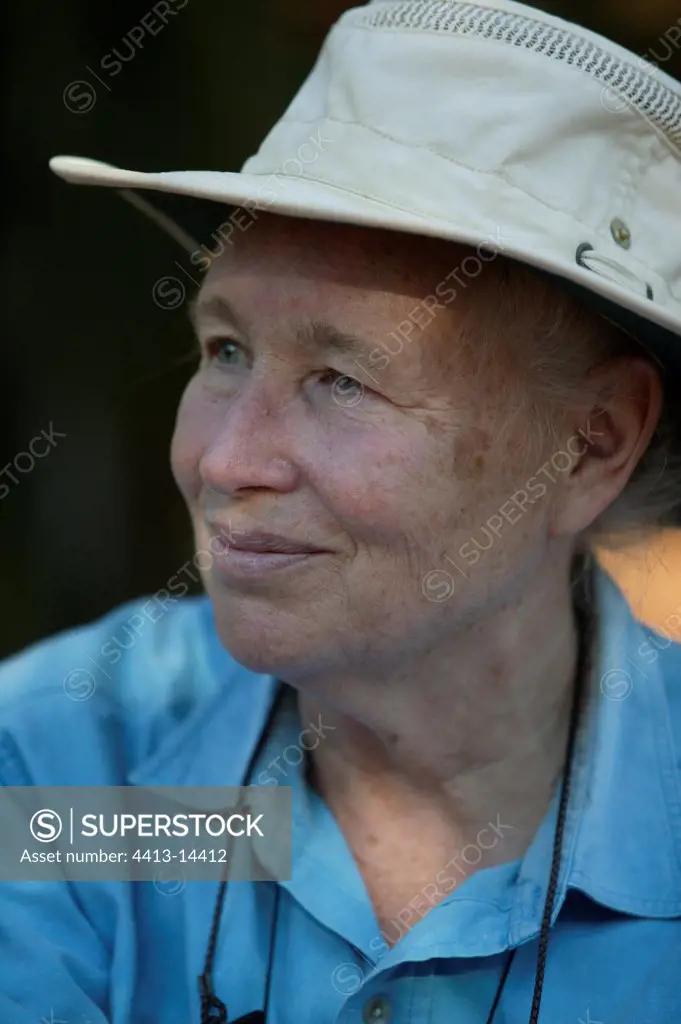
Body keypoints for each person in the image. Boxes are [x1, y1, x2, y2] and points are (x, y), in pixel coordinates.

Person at [3, 0, 681, 1021]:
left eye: (340, 379)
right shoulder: (67, 761)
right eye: (225, 350)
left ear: (591, 443)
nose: (223, 458)